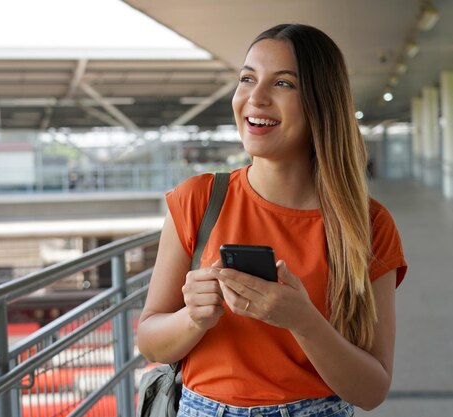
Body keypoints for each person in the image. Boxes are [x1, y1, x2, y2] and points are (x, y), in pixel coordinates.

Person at [137, 23, 407, 417]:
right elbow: (149, 341)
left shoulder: (369, 225)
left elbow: (371, 390)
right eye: (247, 78)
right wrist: (193, 318)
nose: (255, 97)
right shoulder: (198, 199)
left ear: (321, 102)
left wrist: (303, 321)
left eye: (283, 84)